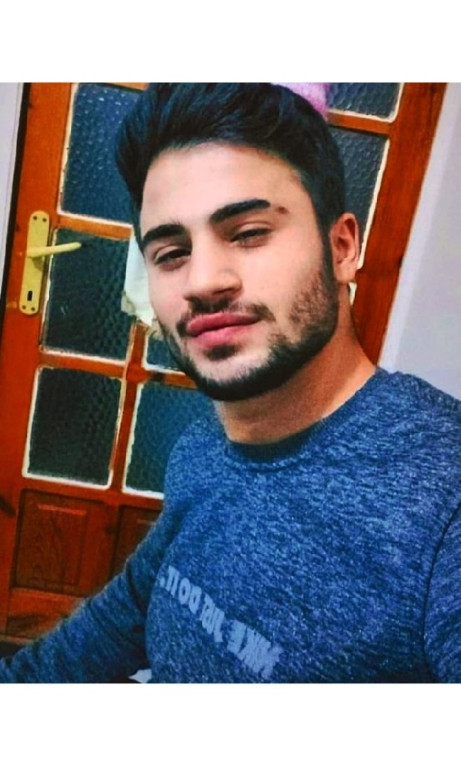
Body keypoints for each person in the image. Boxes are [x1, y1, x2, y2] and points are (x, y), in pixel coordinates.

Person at [1, 83, 460, 683]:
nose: (203, 282)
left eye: (247, 233)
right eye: (171, 253)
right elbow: (126, 614)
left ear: (342, 248)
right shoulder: (203, 448)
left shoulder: (442, 494)